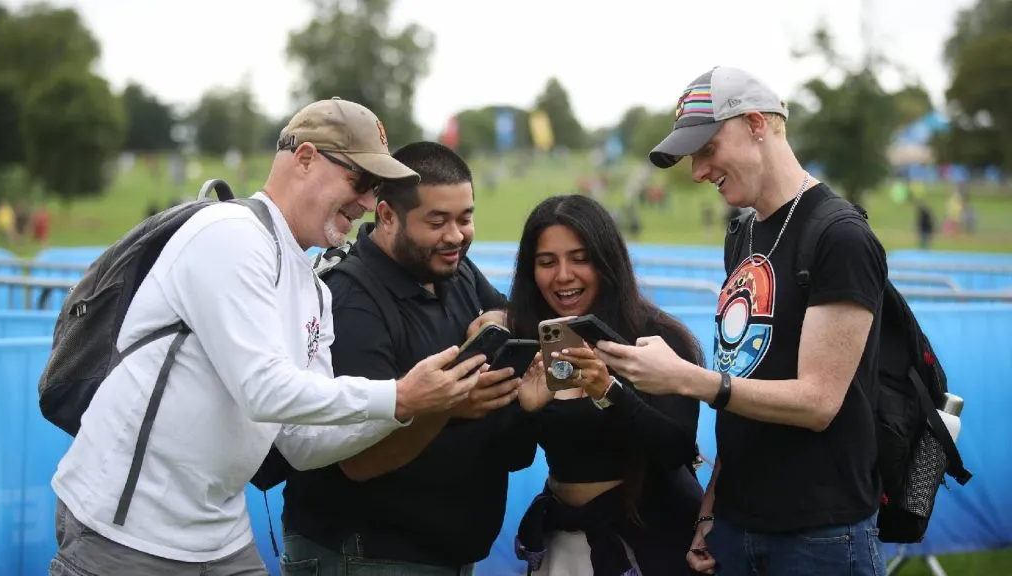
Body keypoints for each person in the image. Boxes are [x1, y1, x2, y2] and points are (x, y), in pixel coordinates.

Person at [47, 100, 488, 576]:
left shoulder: (315, 288)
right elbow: (264, 390)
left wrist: (408, 409)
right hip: (125, 530)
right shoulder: (230, 234)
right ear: (305, 159)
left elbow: (304, 442)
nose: (366, 202)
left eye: (375, 188)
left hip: (219, 535)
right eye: (360, 182)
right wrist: (401, 395)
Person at [597, 66, 889, 575]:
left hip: (819, 534)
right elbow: (745, 377)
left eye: (707, 150)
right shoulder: (743, 234)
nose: (697, 172)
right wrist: (711, 509)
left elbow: (818, 402)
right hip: (737, 525)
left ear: (756, 123)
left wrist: (687, 379)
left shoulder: (839, 237)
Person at [279, 141, 536, 575]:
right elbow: (359, 462)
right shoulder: (351, 301)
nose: (455, 235)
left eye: (465, 218)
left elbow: (513, 313)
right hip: (364, 554)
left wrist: (496, 317)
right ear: (386, 216)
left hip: (440, 552)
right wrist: (449, 407)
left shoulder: (453, 269)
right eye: (437, 221)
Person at [506, 193, 706, 575]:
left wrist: (609, 392)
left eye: (580, 259)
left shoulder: (656, 338)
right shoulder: (529, 342)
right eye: (547, 262)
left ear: (607, 262)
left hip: (650, 543)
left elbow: (675, 450)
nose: (563, 275)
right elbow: (515, 457)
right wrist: (524, 410)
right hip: (564, 541)